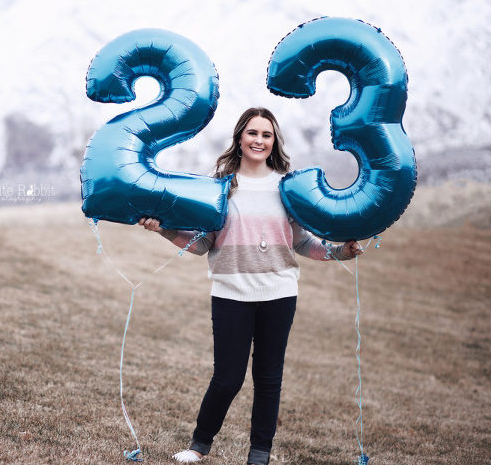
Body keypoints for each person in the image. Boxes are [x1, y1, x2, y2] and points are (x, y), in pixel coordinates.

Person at [138, 107, 362, 465]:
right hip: (230, 295)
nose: (259, 140)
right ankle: (198, 446)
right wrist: (162, 228)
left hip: (279, 295)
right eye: (253, 133)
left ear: (274, 142)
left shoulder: (288, 186)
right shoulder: (221, 185)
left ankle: (259, 454)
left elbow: (302, 243)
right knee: (227, 378)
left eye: (267, 134)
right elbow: (201, 245)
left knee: (269, 378)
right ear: (240, 138)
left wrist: (341, 252)